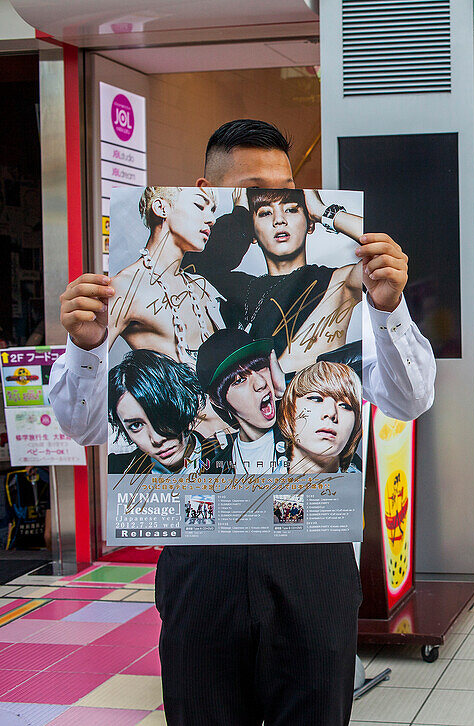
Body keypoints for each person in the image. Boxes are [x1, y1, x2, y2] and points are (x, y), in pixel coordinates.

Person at [52, 119, 435, 725]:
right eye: (258, 197)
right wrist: (85, 349)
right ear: (211, 191)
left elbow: (410, 400)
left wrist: (389, 310)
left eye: (290, 193)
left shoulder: (343, 288)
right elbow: (88, 427)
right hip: (203, 547)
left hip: (312, 547)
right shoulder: (166, 290)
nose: (279, 210)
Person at [185, 186, 366, 373]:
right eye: (265, 213)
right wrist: (240, 216)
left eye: (291, 209)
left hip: (317, 397)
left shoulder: (337, 281)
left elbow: (387, 253)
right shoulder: (242, 289)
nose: (279, 220)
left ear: (310, 223)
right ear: (252, 233)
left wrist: (322, 212)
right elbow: (189, 267)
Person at [107, 187, 225, 367]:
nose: (211, 220)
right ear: (161, 208)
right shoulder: (125, 286)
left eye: (212, 210)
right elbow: (89, 371)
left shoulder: (201, 287)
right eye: (200, 206)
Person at [107, 349, 230, 476]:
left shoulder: (233, 458)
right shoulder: (112, 470)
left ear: (182, 404)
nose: (156, 439)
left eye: (160, 415)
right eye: (136, 425)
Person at [196, 328, 289, 476]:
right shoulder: (217, 471)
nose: (260, 383)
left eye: (259, 367)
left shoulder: (303, 424)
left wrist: (286, 386)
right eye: (240, 380)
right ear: (218, 401)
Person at [277, 360, 363, 474]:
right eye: (316, 399)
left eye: (345, 406)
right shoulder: (257, 488)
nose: (331, 413)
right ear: (288, 411)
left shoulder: (368, 488)